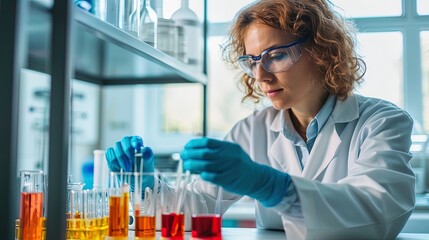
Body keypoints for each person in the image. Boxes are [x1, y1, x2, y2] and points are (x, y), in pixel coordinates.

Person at [105, 0, 415, 239]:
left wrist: (271, 185)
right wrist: (146, 185)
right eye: (252, 61)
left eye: (276, 56)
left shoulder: (382, 122)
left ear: (321, 51)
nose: (260, 76)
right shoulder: (252, 130)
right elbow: (196, 207)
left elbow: (378, 211)